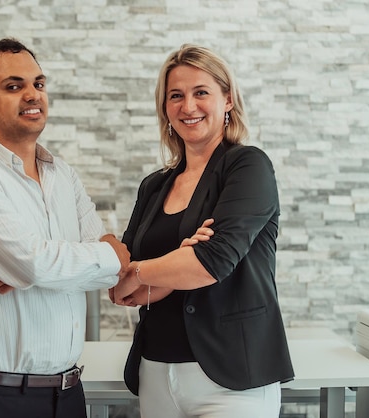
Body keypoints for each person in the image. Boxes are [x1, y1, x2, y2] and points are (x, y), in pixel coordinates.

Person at [0, 38, 130, 418]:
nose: (32, 95)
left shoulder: (62, 174)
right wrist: (39, 266)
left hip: (68, 394)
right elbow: (35, 262)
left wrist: (29, 269)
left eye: (38, 84)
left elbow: (96, 265)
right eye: (13, 86)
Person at [111, 44, 295, 418]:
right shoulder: (154, 185)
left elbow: (212, 262)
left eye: (201, 93)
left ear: (227, 99)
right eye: (175, 96)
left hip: (232, 381)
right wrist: (177, 260)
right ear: (165, 107)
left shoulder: (247, 167)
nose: (188, 106)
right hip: (156, 372)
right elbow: (120, 288)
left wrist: (147, 270)